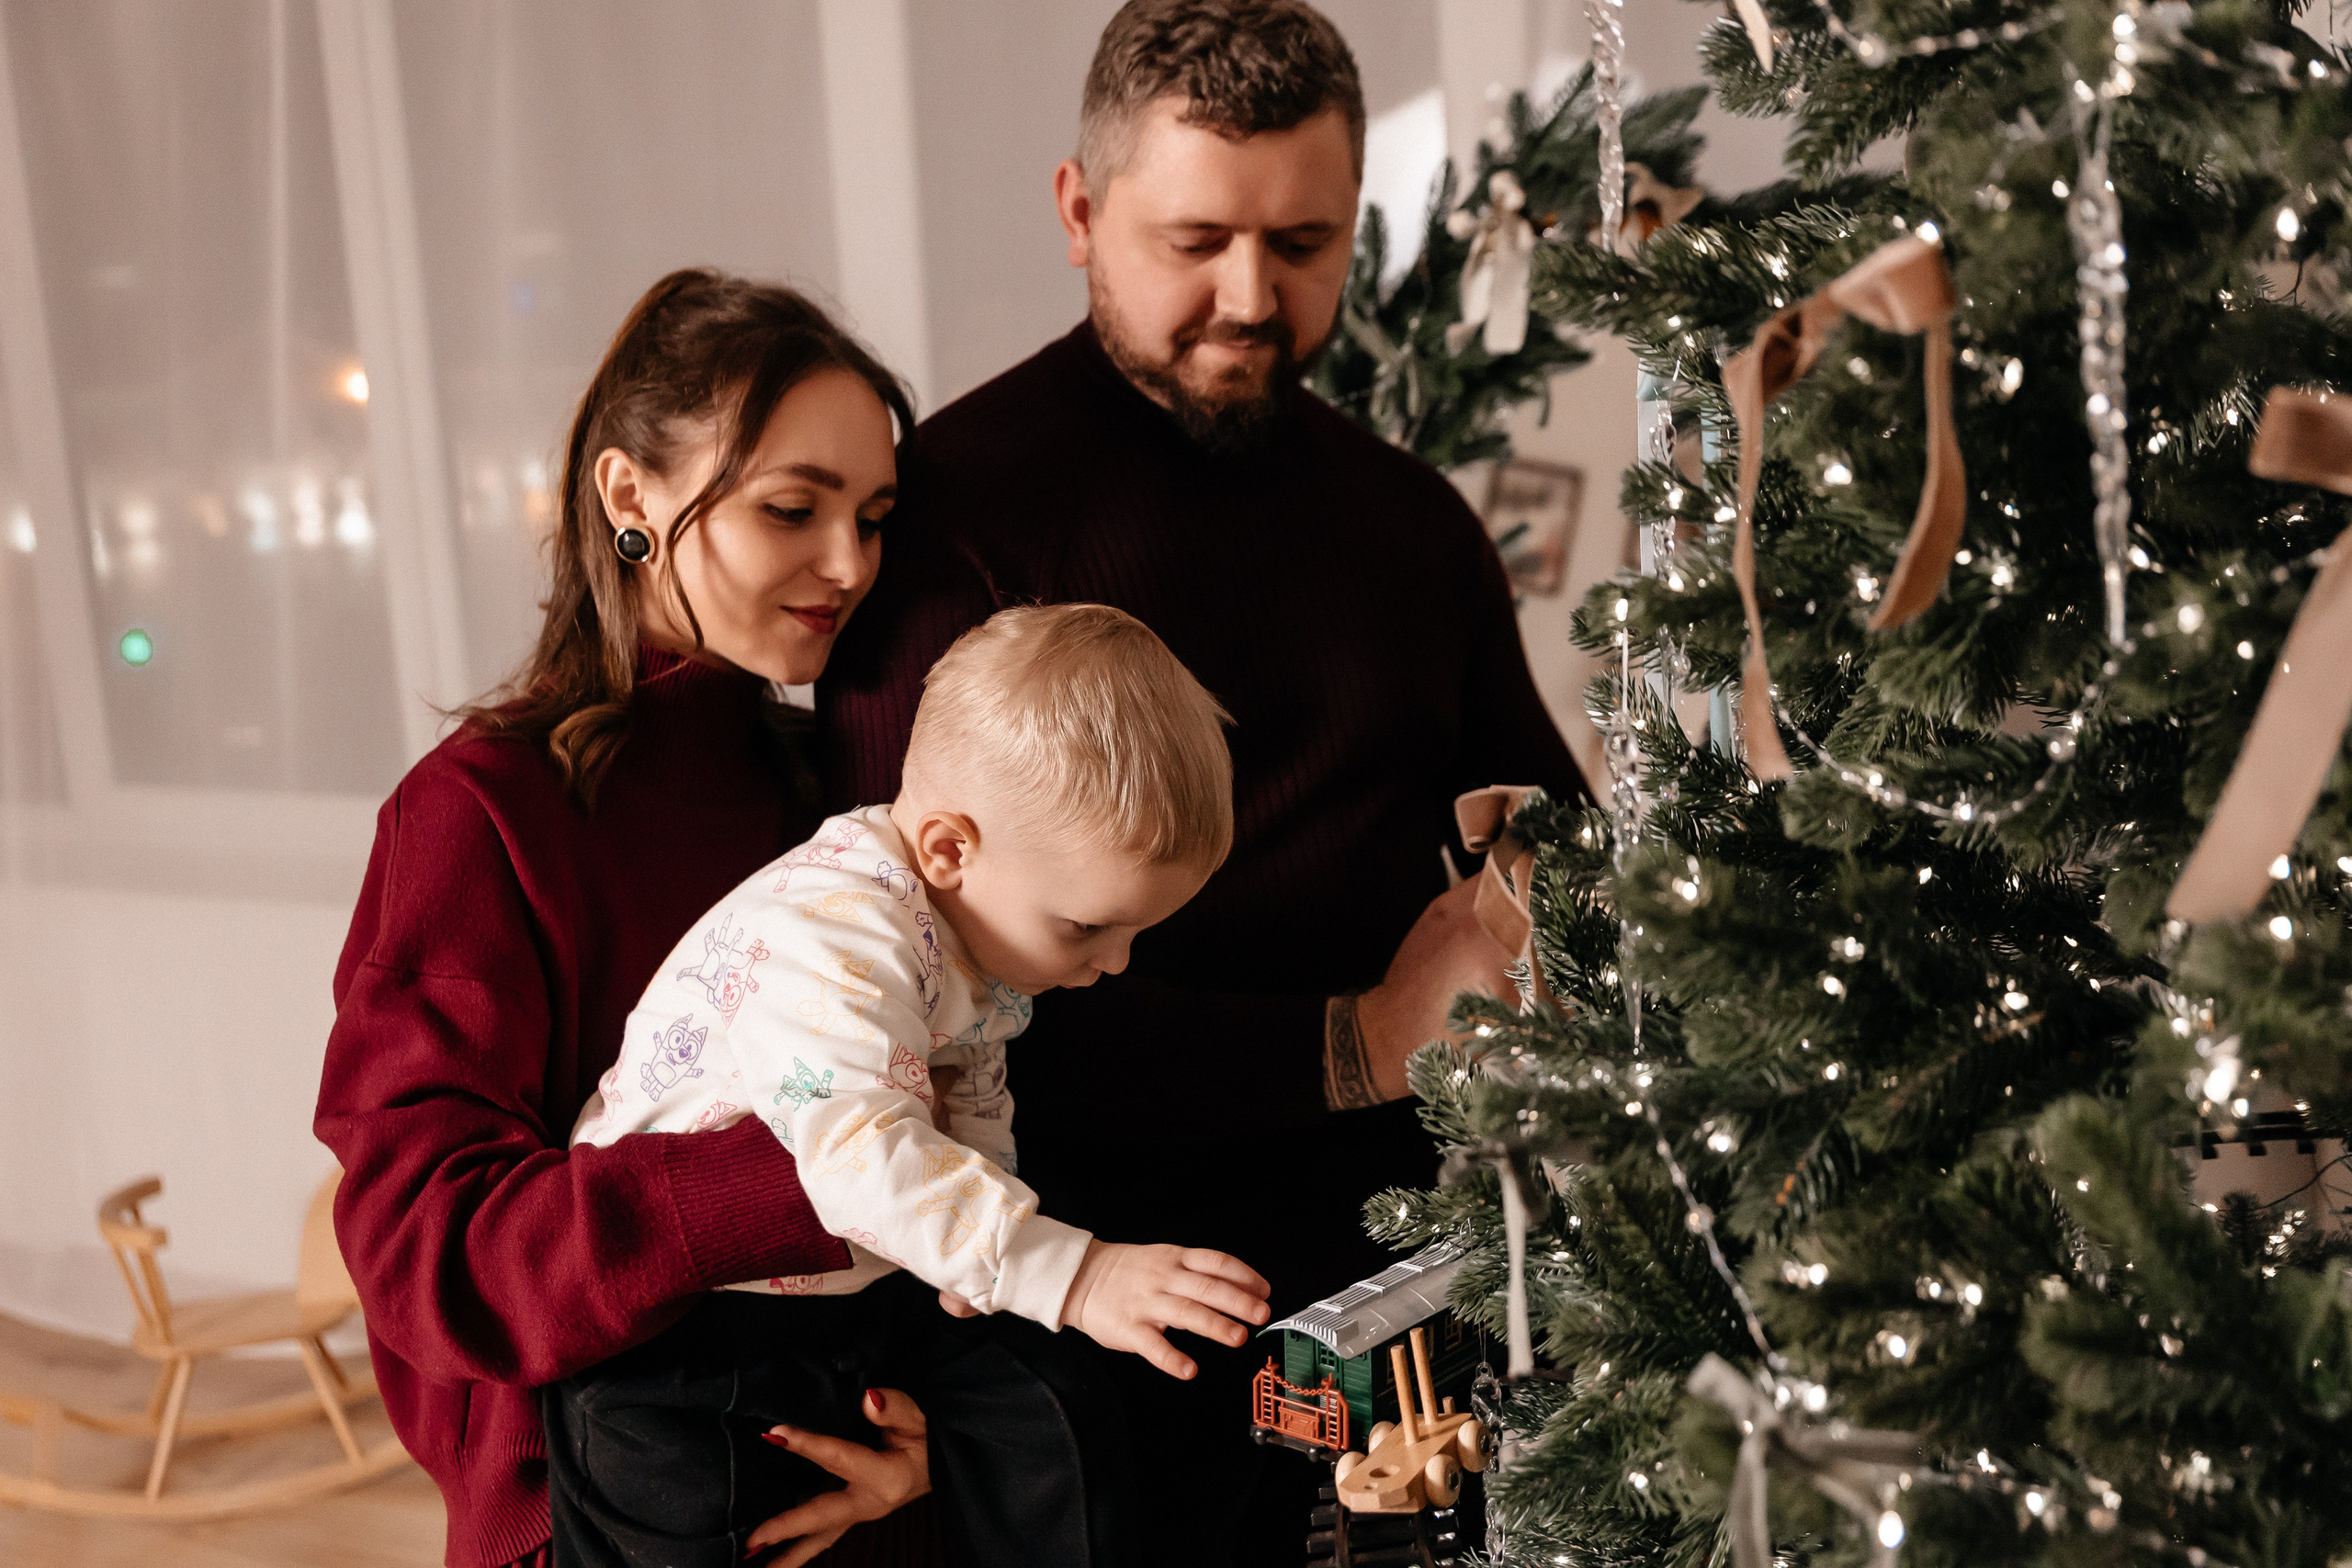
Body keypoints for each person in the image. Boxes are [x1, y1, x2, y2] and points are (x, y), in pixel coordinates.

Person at [819, 2, 1590, 1558]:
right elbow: (909, 1007)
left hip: (1412, 1270)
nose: (1252, 297)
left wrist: (1536, 914)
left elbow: (1547, 828)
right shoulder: (958, 526)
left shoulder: (1411, 523)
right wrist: (1352, 1041)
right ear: (1078, 211)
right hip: (1085, 1308)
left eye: (1304, 243)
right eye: (1195, 242)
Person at [315, 270, 944, 1568]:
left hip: (844, 1479)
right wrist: (796, 1176)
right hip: (582, 1517)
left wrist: (930, 1440)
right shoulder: (477, 814)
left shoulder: (834, 792)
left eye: (874, 518)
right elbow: (428, 1253)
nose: (849, 564)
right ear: (629, 497)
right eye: (792, 508)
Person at [550, 603, 1274, 1568]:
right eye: (1087, 928)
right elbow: (864, 1161)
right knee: (684, 1514)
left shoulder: (971, 929)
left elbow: (970, 1094)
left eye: (1135, 932)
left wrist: (979, 1263)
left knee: (1054, 1405)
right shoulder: (831, 937)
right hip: (680, 1319)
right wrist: (1073, 1271)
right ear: (949, 850)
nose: (1114, 963)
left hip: (855, 1281)